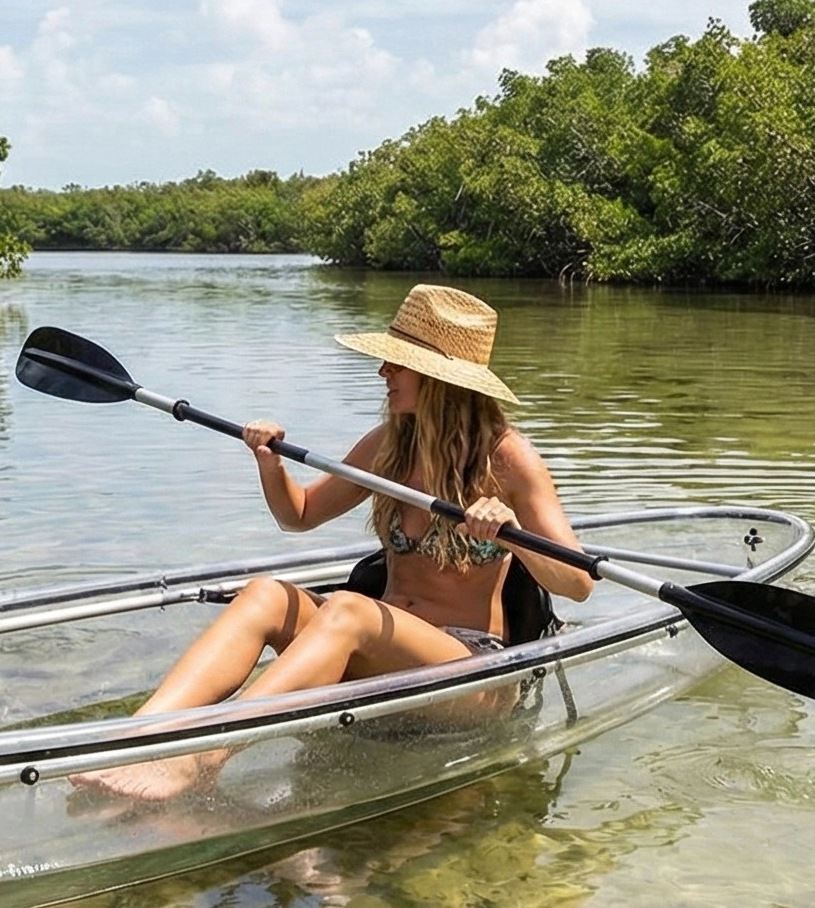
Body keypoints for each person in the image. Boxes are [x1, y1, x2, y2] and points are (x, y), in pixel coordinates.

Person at [69, 284, 593, 801]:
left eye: (398, 363)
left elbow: (577, 583)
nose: (382, 372)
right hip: (377, 653)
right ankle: (137, 737)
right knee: (266, 594)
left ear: (439, 379)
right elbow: (298, 515)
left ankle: (204, 757)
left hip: (471, 677)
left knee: (349, 609)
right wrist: (269, 463)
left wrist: (513, 533)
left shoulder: (509, 459)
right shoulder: (388, 445)